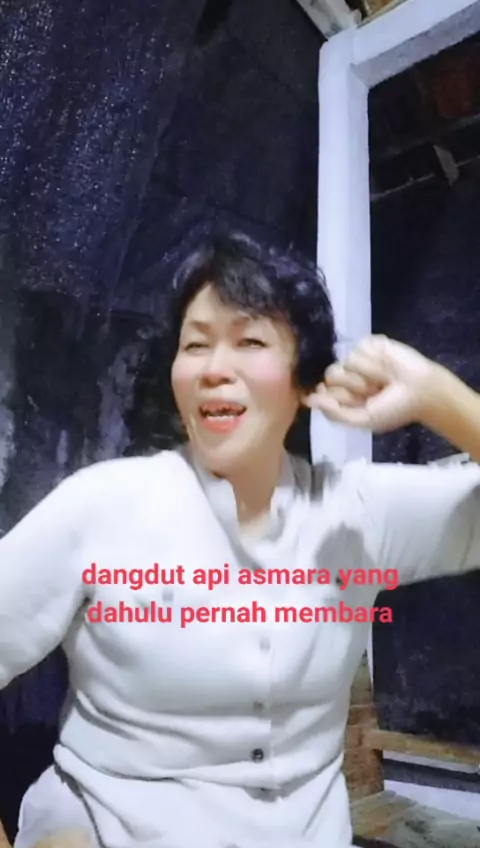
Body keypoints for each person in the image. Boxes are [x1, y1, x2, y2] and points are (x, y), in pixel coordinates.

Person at [1, 232, 480, 848]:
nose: (214, 369)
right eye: (195, 345)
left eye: (250, 341)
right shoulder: (102, 507)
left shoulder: (355, 512)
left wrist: (440, 396)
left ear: (305, 381)